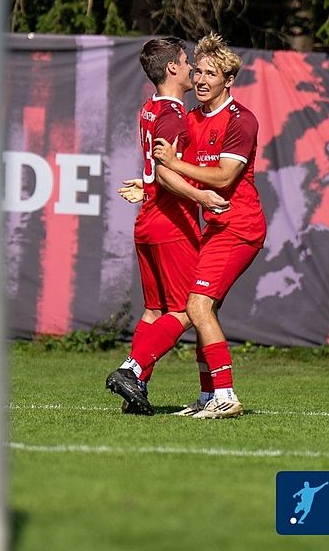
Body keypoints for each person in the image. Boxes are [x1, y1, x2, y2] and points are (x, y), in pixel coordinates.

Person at [105, 37, 230, 415]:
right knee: (188, 310)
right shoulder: (175, 116)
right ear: (173, 69)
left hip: (148, 221)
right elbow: (165, 171)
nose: (193, 68)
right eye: (186, 60)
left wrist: (145, 185)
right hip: (170, 223)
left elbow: (154, 172)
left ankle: (137, 387)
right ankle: (132, 369)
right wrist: (202, 197)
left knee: (154, 312)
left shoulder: (150, 108)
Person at [152, 32, 267, 419]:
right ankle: (208, 395)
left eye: (211, 74)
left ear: (228, 80)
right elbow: (171, 174)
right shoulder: (190, 119)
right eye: (197, 71)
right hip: (215, 228)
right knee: (201, 308)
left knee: (198, 306)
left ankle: (226, 395)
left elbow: (221, 178)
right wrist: (150, 180)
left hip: (241, 227)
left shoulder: (241, 121)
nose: (200, 80)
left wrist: (174, 164)